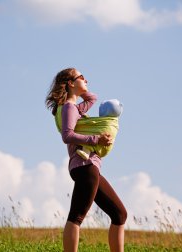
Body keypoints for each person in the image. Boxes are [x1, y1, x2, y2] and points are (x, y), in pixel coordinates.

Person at [45, 68, 127, 252]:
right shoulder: (68, 107)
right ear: (70, 83)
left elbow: (92, 98)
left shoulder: (75, 108)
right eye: (82, 77)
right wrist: (96, 139)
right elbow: (67, 135)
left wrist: (80, 88)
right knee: (76, 217)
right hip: (85, 165)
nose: (87, 80)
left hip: (90, 166)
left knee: (119, 214)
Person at [54, 99, 123, 160]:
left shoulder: (109, 123)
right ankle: (87, 150)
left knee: (101, 133)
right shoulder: (105, 122)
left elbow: (91, 126)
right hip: (97, 154)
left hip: (101, 145)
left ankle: (86, 150)